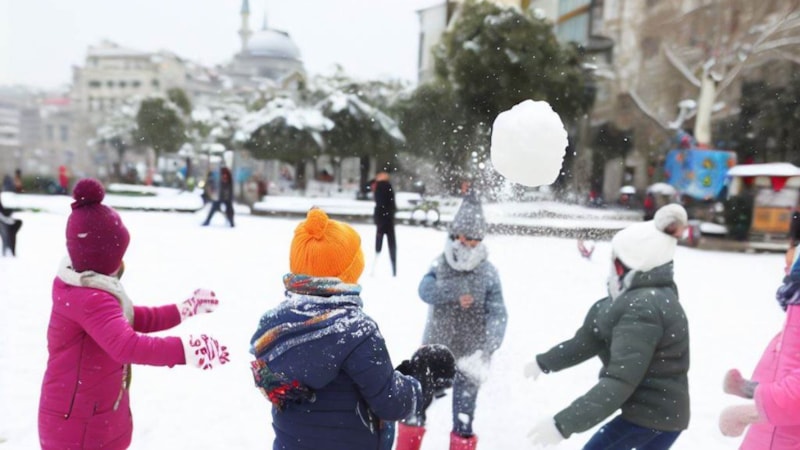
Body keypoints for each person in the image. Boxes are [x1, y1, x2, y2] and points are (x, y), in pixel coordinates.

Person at [38, 178, 230, 450]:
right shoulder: (90, 298)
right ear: (102, 257)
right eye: (117, 255)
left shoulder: (85, 284)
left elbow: (130, 320)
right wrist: (185, 350)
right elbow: (127, 345)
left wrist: (183, 310)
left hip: (91, 416)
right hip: (78, 429)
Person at [248, 207, 455, 450]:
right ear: (348, 272)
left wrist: (394, 376)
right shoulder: (355, 330)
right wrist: (420, 382)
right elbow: (390, 403)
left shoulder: (274, 327)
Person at [524, 215, 690, 449]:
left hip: (650, 419)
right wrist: (545, 362)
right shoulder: (635, 298)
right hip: (661, 415)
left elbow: (620, 381)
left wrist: (562, 424)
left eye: (616, 260)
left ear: (627, 265)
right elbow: (588, 340)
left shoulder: (642, 308)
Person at [397, 192, 507, 450]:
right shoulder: (441, 264)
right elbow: (424, 290)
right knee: (415, 407)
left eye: (468, 238)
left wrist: (489, 346)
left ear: (478, 240)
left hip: (471, 352)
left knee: (463, 417)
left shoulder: (488, 273)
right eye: (457, 236)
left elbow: (498, 314)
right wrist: (454, 294)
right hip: (435, 350)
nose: (460, 243)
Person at [719, 243, 800, 448]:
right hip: (773, 434)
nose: (786, 262)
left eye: (793, 259)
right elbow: (787, 366)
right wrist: (751, 389)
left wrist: (749, 414)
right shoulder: (795, 306)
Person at [372, 171, 397, 276]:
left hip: (383, 219)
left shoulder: (380, 187)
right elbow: (390, 203)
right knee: (391, 244)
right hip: (388, 219)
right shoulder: (385, 186)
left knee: (380, 243)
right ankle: (393, 269)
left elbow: (382, 204)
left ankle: (377, 268)